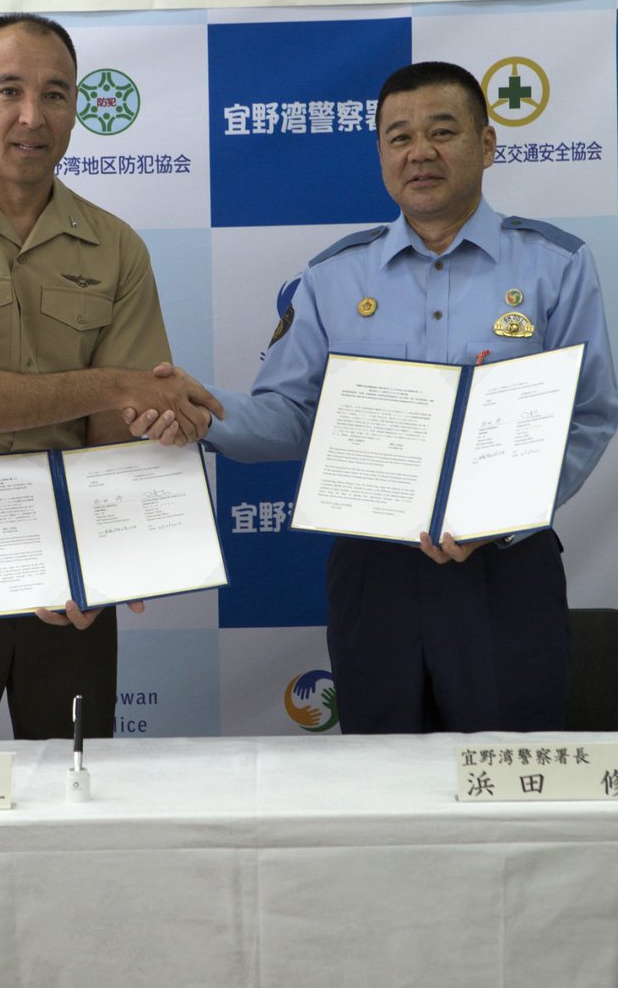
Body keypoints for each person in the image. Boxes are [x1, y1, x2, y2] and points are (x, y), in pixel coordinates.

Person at [127, 60, 618, 735]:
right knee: (382, 774)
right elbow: (291, 415)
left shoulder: (555, 265)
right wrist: (204, 410)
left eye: (442, 131)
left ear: (486, 144)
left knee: (504, 772)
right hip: (375, 574)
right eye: (399, 136)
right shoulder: (334, 276)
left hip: (504, 565)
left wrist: (504, 516)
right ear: (381, 154)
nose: (420, 152)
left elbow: (588, 413)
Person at [0, 12, 222, 742]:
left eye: (55, 94)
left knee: (74, 771)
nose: (33, 115)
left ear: (76, 107)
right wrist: (118, 383)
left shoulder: (116, 246)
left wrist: (105, 558)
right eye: (9, 90)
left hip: (72, 536)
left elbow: (115, 428)